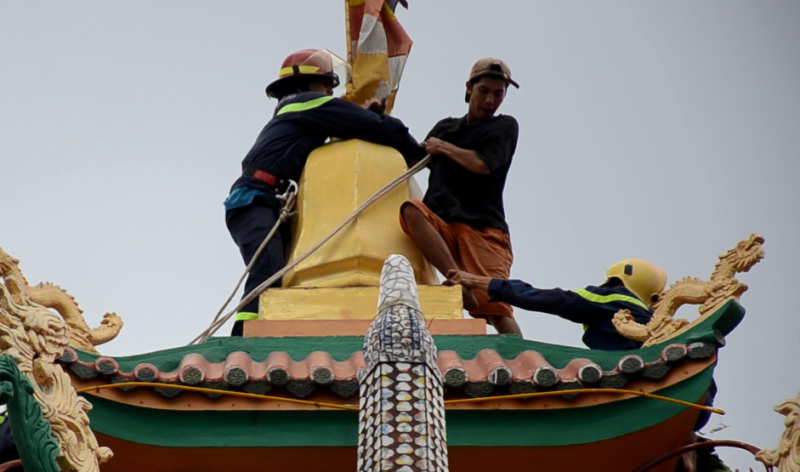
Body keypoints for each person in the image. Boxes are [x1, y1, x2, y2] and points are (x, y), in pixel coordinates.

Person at [225, 49, 426, 336]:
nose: (331, 92)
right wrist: (418, 151)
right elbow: (372, 126)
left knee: (278, 272)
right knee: (268, 269)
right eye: (326, 84)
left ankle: (262, 332)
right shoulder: (304, 103)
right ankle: (243, 339)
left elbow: (348, 123)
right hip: (255, 198)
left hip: (265, 199)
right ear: (301, 87)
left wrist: (362, 116)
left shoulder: (298, 113)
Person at [399, 58, 521, 334]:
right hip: (444, 225)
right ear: (469, 88)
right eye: (484, 91)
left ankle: (523, 358)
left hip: (482, 230)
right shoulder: (446, 128)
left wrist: (443, 148)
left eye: (498, 94)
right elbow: (412, 160)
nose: (490, 100)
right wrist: (380, 121)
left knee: (495, 307)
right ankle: (457, 280)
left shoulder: (504, 126)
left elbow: (481, 165)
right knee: (411, 210)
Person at [445, 258, 667, 350]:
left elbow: (555, 300)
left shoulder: (613, 299)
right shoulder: (654, 321)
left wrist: (483, 283)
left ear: (617, 280)